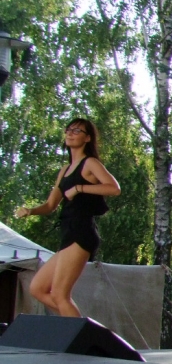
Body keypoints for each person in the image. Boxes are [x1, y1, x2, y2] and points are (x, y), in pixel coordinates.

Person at [14, 118, 120, 316]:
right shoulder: (65, 169)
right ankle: (80, 326)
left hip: (81, 232)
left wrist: (79, 188)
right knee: (38, 289)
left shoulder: (90, 163)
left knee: (60, 295)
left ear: (87, 138)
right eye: (69, 130)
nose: (70, 133)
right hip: (68, 232)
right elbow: (50, 205)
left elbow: (114, 188)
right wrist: (30, 210)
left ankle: (81, 331)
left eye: (77, 131)